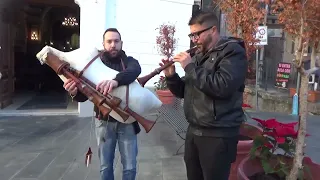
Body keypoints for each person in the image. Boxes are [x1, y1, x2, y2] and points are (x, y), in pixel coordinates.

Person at [159, 11, 248, 180]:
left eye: (197, 34)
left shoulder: (233, 52)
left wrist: (190, 68)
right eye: (191, 35)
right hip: (194, 131)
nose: (194, 40)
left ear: (213, 30)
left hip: (218, 134)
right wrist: (171, 76)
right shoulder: (200, 56)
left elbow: (222, 86)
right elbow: (184, 91)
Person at [63, 28, 141, 180]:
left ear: (121, 43)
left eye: (116, 41)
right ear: (103, 44)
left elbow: (135, 70)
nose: (113, 45)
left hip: (128, 121)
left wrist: (115, 81)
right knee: (105, 167)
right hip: (104, 122)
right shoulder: (93, 66)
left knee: (130, 167)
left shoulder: (129, 62)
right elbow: (84, 95)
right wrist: (73, 92)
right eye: (109, 41)